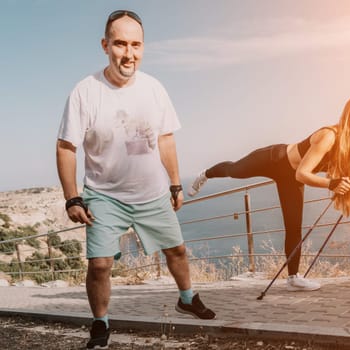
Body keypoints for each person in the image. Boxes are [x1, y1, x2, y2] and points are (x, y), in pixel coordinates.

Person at [56, 10, 215, 350]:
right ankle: (100, 323)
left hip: (152, 192)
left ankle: (187, 298)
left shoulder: (154, 88)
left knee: (178, 250)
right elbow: (66, 147)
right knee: (99, 266)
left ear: (143, 47)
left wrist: (175, 183)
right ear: (105, 45)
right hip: (103, 196)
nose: (128, 54)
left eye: (136, 45)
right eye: (120, 44)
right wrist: (72, 198)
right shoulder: (85, 92)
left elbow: (166, 139)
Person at [188, 95, 350, 292]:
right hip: (273, 158)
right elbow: (303, 173)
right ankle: (206, 174)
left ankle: (293, 278)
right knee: (235, 170)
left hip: (291, 179)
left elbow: (304, 176)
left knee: (294, 226)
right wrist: (331, 184)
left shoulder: (349, 145)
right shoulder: (329, 136)